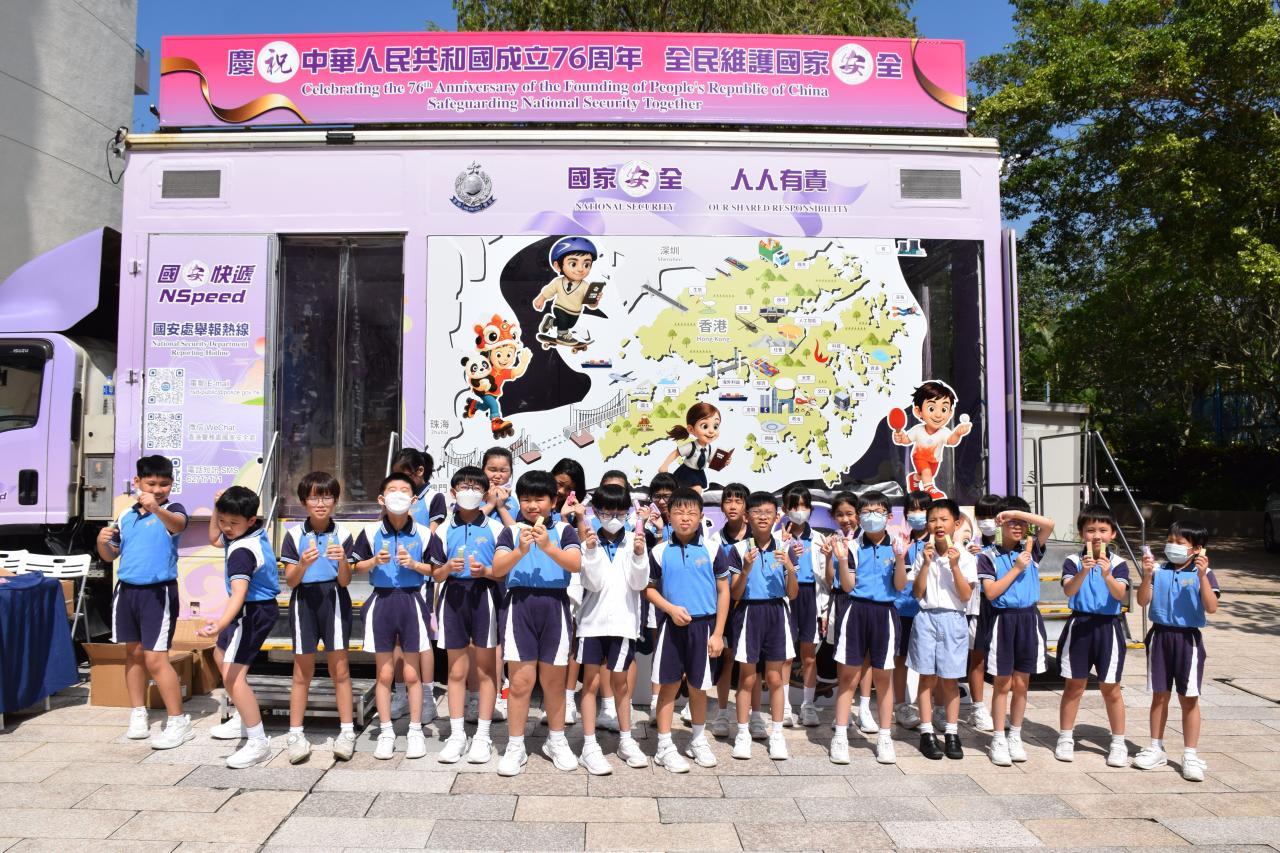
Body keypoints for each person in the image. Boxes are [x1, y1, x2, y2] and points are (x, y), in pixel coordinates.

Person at [491, 470, 583, 776]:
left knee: (554, 682)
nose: (533, 505)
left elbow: (575, 564)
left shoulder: (565, 530)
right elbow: (497, 569)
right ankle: (515, 745)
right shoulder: (510, 532)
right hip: (519, 607)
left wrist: (548, 547)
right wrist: (521, 550)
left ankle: (556, 740)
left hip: (555, 606)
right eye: (526, 499)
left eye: (539, 499)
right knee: (520, 682)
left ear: (553, 501)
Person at [97, 455, 192, 749]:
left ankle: (178, 721)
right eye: (151, 484)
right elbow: (110, 555)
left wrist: (155, 508)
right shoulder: (125, 515)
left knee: (156, 658)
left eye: (164, 484)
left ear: (172, 484)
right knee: (134, 654)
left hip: (158, 593)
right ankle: (138, 713)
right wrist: (101, 542)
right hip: (127, 591)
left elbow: (178, 525)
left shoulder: (172, 510)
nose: (158, 489)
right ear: (138, 482)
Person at [349, 473, 444, 760]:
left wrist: (414, 564)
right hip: (381, 601)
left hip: (412, 601)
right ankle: (386, 731)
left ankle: (415, 731)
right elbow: (356, 566)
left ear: (414, 500)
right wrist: (373, 561)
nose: (398, 495)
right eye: (392, 490)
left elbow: (437, 571)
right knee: (385, 673)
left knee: (412, 673)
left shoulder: (425, 533)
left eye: (405, 491)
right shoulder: (370, 531)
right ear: (382, 499)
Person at [645, 488, 731, 773]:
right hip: (671, 627)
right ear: (669, 516)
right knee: (668, 686)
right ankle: (664, 746)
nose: (685, 518)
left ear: (701, 516)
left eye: (691, 513)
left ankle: (697, 739)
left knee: (698, 686)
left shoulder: (713, 548)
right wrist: (670, 609)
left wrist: (718, 633)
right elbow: (648, 589)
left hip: (704, 627)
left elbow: (724, 591)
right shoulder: (659, 551)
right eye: (679, 512)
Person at [278, 472, 356, 764]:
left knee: (340, 669)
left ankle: (347, 731)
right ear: (303, 502)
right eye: (314, 497)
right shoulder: (293, 535)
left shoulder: (344, 534)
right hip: (304, 601)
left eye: (326, 497)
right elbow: (291, 581)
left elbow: (345, 581)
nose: (320, 503)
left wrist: (342, 560)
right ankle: (296, 734)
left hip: (335, 599)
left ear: (335, 501)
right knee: (302, 671)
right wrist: (302, 564)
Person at [200, 486, 281, 768]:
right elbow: (214, 538)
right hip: (248, 609)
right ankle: (243, 718)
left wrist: (219, 623)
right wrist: (217, 508)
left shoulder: (242, 552)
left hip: (253, 612)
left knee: (233, 677)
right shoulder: (248, 532)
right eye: (223, 520)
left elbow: (239, 594)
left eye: (233, 522)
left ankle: (258, 742)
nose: (226, 527)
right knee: (220, 655)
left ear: (250, 520)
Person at [576, 483, 652, 773]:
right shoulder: (588, 540)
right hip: (591, 624)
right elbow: (592, 583)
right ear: (596, 512)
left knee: (621, 684)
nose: (614, 518)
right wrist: (591, 551)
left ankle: (626, 739)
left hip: (623, 622)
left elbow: (639, 584)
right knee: (591, 683)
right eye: (607, 512)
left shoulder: (634, 539)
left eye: (620, 513)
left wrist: (639, 555)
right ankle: (589, 745)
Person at [432, 466, 506, 765]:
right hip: (453, 597)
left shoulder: (497, 529)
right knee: (456, 670)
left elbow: (504, 572)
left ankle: (483, 735)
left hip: (485, 596)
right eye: (464, 486)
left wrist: (486, 571)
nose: (470, 492)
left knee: (486, 669)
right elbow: (435, 574)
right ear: (453, 492)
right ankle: (457, 734)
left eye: (476, 487)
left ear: (486, 493)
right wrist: (447, 568)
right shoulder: (442, 530)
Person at [1135, 521, 1219, 782]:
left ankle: (1190, 754)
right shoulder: (1158, 570)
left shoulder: (1204, 573)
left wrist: (1202, 577)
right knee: (1159, 695)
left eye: (1180, 542)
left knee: (1189, 697)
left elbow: (1212, 607)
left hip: (1188, 640)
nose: (1173, 546)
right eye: (1170, 540)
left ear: (1196, 549)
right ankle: (1156, 747)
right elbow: (1142, 601)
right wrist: (1146, 575)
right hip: (1160, 636)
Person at [829, 490, 907, 765]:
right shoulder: (851, 546)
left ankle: (884, 737)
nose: (872, 516)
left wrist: (900, 558)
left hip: (885, 613)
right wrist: (841, 560)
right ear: (860, 517)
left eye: (878, 512)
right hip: (856, 611)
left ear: (889, 516)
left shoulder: (898, 545)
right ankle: (840, 736)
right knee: (849, 678)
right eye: (867, 512)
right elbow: (848, 586)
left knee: (883, 679)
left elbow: (900, 585)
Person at [977, 496, 1054, 766]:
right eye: (1012, 522)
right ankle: (998, 737)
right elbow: (991, 593)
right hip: (1003, 620)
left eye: (1022, 522)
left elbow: (1048, 524)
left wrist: (1016, 513)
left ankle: (1015, 735)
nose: (1018, 527)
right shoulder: (987, 556)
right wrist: (1017, 568)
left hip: (1029, 619)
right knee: (1002, 682)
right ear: (1000, 524)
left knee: (1022, 683)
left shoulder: (1031, 548)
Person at [1055, 504, 1131, 767]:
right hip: (1079, 625)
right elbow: (1069, 590)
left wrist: (1107, 574)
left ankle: (1118, 742)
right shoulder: (1073, 561)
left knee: (1111, 687)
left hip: (1108, 627)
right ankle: (1066, 737)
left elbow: (1120, 594)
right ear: (1081, 533)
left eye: (1102, 530)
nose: (1096, 535)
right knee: (1074, 685)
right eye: (1090, 530)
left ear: (1112, 534)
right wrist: (1084, 571)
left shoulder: (1118, 564)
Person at [726, 490, 799, 761]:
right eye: (757, 512)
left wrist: (789, 566)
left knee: (775, 677)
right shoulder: (737, 550)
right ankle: (742, 734)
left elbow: (793, 594)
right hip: (748, 613)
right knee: (747, 677)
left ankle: (777, 735)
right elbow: (734, 593)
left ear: (776, 517)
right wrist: (746, 569)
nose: (763, 517)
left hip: (777, 612)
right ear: (747, 517)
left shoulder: (785, 547)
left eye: (768, 512)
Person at [907, 498, 978, 760]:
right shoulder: (923, 554)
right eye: (933, 520)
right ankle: (926, 733)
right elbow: (917, 592)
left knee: (950, 680)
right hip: (926, 617)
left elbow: (965, 595)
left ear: (956, 524)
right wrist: (926, 564)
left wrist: (955, 565)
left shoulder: (966, 557)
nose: (938, 525)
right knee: (926, 677)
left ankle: (951, 732)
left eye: (944, 519)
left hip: (953, 618)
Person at [389, 448, 445, 723]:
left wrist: (415, 557)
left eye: (405, 475)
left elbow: (432, 537)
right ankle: (400, 694)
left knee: (423, 640)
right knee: (397, 640)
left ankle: (427, 698)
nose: (400, 482)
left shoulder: (434, 498)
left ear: (419, 472)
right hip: (394, 578)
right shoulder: (393, 496)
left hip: (422, 578)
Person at [710, 483, 760, 738]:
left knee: (753, 663)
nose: (733, 506)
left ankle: (756, 715)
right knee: (727, 658)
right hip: (727, 608)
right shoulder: (714, 540)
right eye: (728, 501)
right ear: (721, 506)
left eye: (738, 501)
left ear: (746, 508)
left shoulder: (758, 536)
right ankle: (722, 712)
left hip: (753, 606)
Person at [550, 458, 592, 726]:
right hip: (546, 578)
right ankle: (552, 698)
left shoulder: (582, 510)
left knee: (571, 637)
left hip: (574, 580)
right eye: (559, 484)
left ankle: (567, 698)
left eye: (568, 487)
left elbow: (584, 545)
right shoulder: (542, 503)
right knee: (552, 640)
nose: (562, 491)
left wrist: (573, 517)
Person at [781, 484, 827, 729]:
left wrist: (825, 611)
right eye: (794, 506)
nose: (800, 510)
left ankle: (808, 705)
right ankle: (784, 706)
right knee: (786, 655)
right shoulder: (778, 538)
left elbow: (826, 579)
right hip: (787, 597)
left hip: (810, 597)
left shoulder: (819, 538)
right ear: (785, 509)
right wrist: (787, 550)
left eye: (804, 506)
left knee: (809, 655)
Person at [480, 446, 518, 722]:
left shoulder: (514, 501)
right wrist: (490, 504)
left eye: (503, 470)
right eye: (492, 469)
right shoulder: (474, 498)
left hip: (504, 580)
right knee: (482, 641)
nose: (497, 475)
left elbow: (516, 531)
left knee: (503, 639)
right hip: (478, 578)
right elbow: (469, 522)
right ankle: (481, 694)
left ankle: (501, 691)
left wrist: (501, 506)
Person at [892, 491, 933, 732]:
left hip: (929, 610)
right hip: (903, 609)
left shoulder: (937, 541)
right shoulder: (900, 540)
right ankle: (901, 705)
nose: (917, 515)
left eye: (922, 509)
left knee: (932, 661)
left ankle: (935, 707)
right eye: (912, 510)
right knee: (901, 659)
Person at [821, 491, 861, 731]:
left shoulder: (866, 538)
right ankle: (843, 709)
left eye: (849, 514)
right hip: (840, 601)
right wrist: (828, 558)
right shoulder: (833, 540)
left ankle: (863, 708)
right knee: (842, 655)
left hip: (861, 601)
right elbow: (829, 580)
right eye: (840, 515)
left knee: (865, 657)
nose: (845, 519)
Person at [965, 493, 1003, 732]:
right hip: (979, 608)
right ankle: (978, 708)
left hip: (1004, 609)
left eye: (992, 515)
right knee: (977, 659)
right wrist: (968, 556)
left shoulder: (1010, 545)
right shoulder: (972, 544)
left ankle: (1001, 708)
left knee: (1003, 663)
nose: (986, 521)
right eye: (981, 516)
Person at [533, 236, 600, 345]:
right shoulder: (558, 282)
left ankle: (551, 321)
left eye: (586, 264)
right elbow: (549, 291)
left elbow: (591, 305)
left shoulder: (585, 286)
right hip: (560, 307)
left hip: (575, 312)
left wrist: (595, 301)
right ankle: (562, 336)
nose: (580, 269)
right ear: (558, 266)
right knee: (563, 322)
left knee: (569, 325)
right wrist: (541, 299)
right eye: (573, 264)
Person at [658, 402, 724, 492]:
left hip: (699, 472)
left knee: (692, 491)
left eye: (715, 426)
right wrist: (665, 465)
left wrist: (724, 462)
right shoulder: (691, 446)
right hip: (687, 472)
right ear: (691, 429)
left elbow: (712, 462)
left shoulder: (709, 448)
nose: (712, 431)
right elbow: (676, 453)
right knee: (697, 489)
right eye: (705, 426)